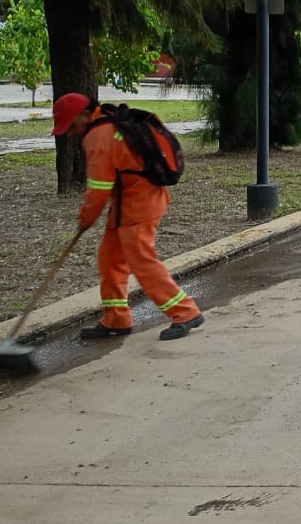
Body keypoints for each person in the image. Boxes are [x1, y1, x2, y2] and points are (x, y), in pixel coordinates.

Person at [51, 93, 205, 340]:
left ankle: (185, 312)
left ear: (83, 115)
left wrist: (86, 219)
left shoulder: (98, 136)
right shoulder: (111, 120)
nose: (70, 132)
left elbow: (99, 189)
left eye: (70, 125)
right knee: (110, 260)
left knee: (141, 261)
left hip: (138, 205)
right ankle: (116, 319)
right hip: (130, 203)